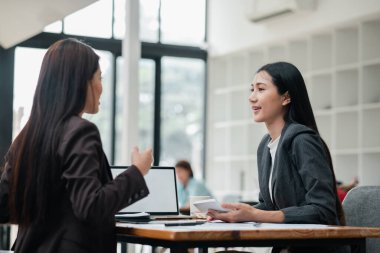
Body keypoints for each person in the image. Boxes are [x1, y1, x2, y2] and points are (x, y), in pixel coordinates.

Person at [0, 38, 153, 253]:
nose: (101, 88)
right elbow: (91, 207)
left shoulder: (28, 134)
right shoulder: (81, 131)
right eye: (100, 78)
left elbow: (4, 207)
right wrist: (137, 172)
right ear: (80, 82)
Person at [207, 62, 348, 253]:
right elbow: (268, 204)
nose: (251, 97)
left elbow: (323, 210)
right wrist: (232, 213)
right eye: (252, 90)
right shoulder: (266, 146)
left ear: (286, 97)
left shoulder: (303, 141)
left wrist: (256, 214)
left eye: (261, 89)